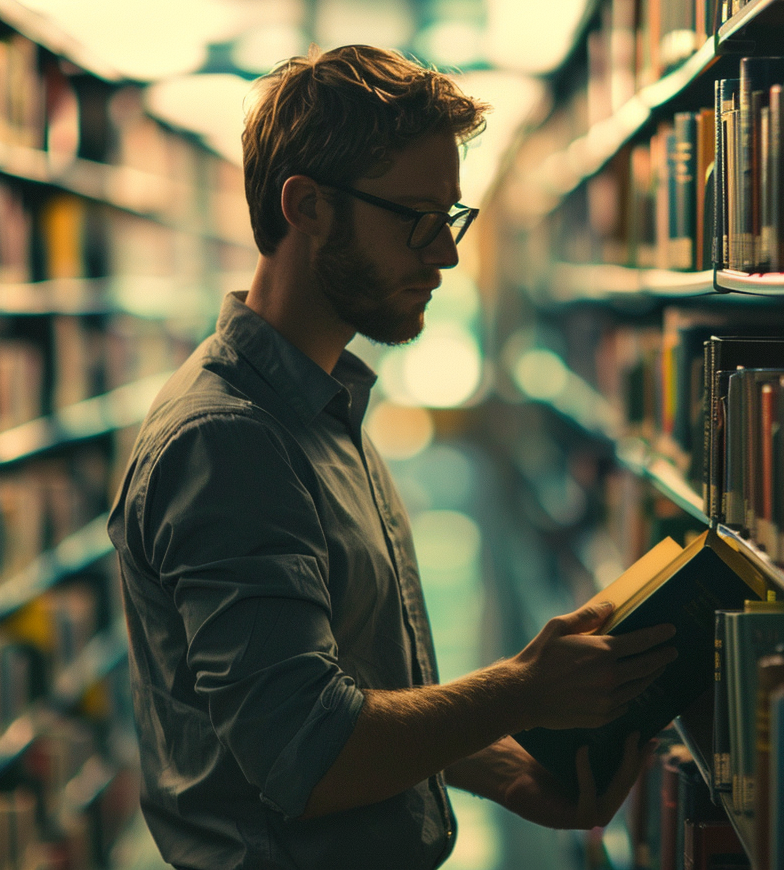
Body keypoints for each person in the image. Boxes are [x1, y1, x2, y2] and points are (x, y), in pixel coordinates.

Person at [108, 45, 678, 870]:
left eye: (449, 218)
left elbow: (346, 694)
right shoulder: (230, 442)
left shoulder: (320, 404)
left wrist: (508, 770)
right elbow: (309, 751)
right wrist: (524, 689)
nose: (444, 255)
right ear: (306, 207)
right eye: (415, 218)